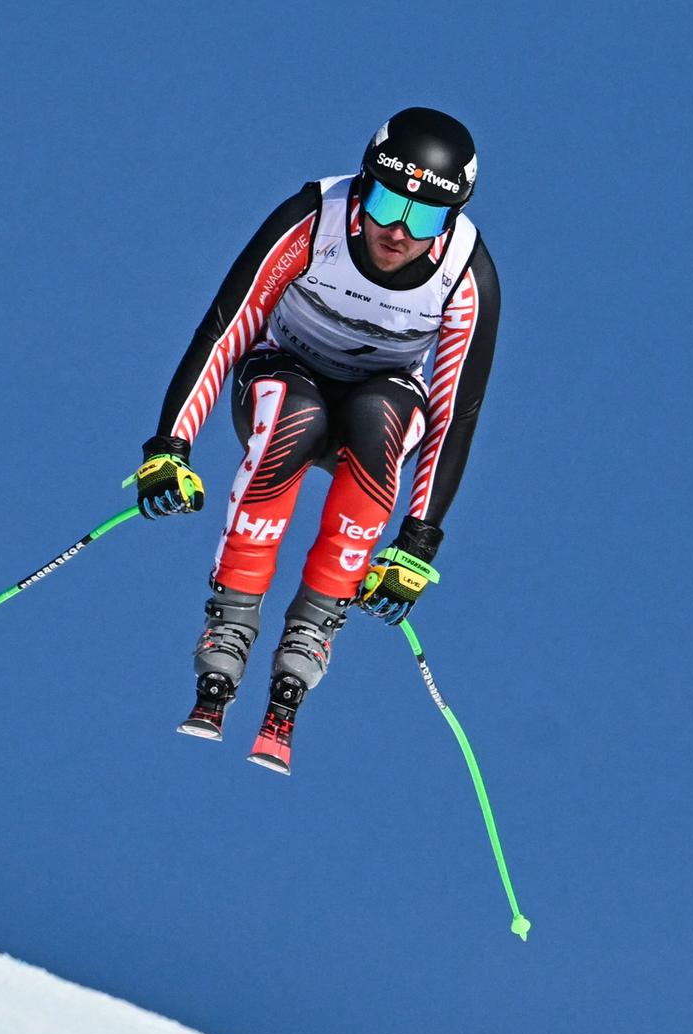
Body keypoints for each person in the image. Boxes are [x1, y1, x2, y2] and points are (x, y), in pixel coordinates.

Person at [133, 107, 501, 773]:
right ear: (364, 187)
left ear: (449, 220)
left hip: (383, 396)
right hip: (285, 374)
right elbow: (228, 326)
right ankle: (229, 631)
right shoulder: (315, 218)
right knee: (296, 414)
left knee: (378, 418)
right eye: (389, 203)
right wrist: (169, 446)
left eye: (425, 219)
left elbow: (453, 412)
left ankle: (310, 636)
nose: (398, 231)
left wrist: (417, 545)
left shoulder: (466, 274)